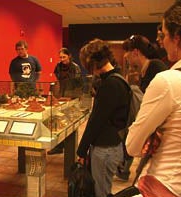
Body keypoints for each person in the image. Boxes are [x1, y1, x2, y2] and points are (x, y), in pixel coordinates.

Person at [126, 2, 181, 197]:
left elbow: (132, 145)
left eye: (164, 35)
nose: (162, 42)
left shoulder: (168, 81)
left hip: (164, 184)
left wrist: (152, 131)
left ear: (176, 37)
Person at [76, 39, 130, 197]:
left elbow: (96, 121)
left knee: (101, 192)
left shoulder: (110, 85)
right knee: (104, 188)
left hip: (106, 148)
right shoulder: (117, 79)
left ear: (92, 62)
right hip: (113, 145)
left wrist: (81, 151)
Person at [115, 35, 168, 181]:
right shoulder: (145, 71)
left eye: (127, 52)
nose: (125, 56)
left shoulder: (156, 68)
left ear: (136, 52)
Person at [47, 47, 81, 155]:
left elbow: (78, 85)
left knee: (69, 122)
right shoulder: (58, 66)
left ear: (69, 56)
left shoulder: (75, 67)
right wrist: (54, 95)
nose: (62, 59)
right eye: (60, 57)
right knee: (57, 121)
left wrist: (72, 97)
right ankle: (58, 146)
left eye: (64, 57)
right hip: (60, 96)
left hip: (71, 97)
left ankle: (70, 148)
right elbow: (56, 80)